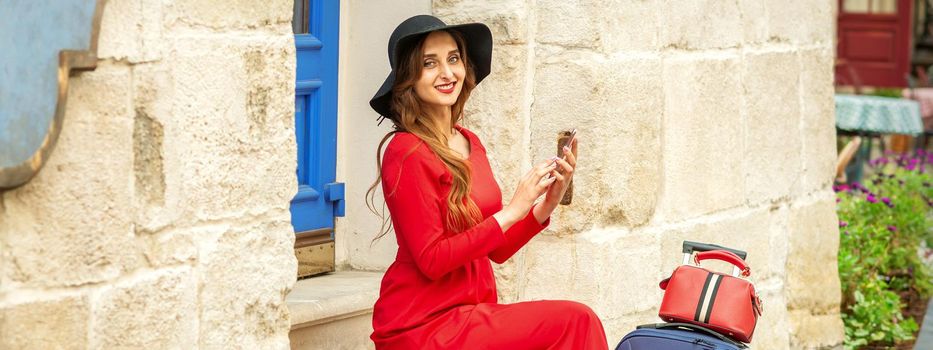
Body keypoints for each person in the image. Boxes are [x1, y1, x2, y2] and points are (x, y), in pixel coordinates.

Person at [365, 15, 608, 350]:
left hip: (473, 314)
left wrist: (547, 202)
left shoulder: (469, 141)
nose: (447, 73)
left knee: (575, 322)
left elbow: (496, 249)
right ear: (409, 78)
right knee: (577, 321)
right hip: (423, 323)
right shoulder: (405, 151)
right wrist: (512, 210)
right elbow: (432, 260)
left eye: (453, 59)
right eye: (429, 63)